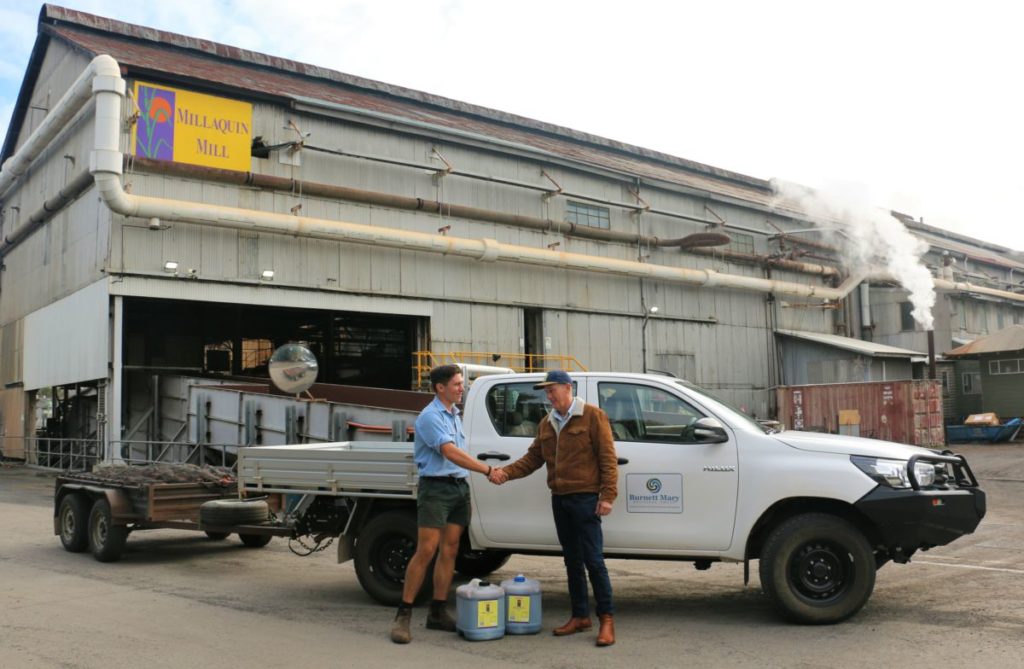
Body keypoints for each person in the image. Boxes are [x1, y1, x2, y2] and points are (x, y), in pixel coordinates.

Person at [491, 370, 619, 647]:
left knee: (594, 561)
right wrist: (505, 473)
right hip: (559, 498)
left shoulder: (593, 416)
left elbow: (608, 459)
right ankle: (580, 616)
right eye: (546, 392)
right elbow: (532, 459)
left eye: (552, 390)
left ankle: (606, 620)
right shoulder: (546, 424)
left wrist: (607, 496)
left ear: (567, 388)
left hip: (585, 498)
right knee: (572, 560)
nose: (548, 396)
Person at [390, 364, 497, 644]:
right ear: (440, 388)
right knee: (426, 550)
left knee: (450, 550)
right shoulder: (430, 417)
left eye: (462, 384)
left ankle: (437, 612)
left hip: (458, 488)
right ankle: (403, 615)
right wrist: (487, 470)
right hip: (436, 489)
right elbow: (450, 452)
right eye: (457, 384)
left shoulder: (454, 415)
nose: (462, 388)